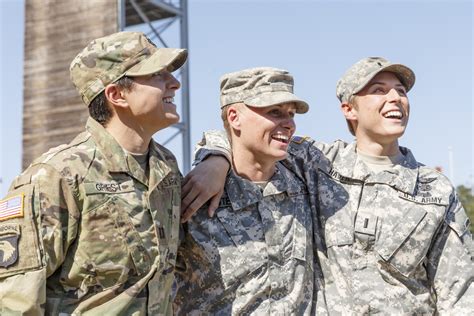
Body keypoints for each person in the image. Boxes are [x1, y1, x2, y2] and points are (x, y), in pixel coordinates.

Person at [187, 57, 473, 314]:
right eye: (379, 90)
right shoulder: (318, 163)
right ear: (349, 109)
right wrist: (215, 159)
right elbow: (245, 136)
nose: (395, 98)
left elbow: (460, 293)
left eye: (401, 90)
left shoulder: (433, 189)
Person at [0, 31, 223, 315]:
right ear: (117, 95)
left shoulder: (164, 166)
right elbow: (13, 302)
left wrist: (218, 157)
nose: (175, 83)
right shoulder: (58, 176)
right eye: (157, 75)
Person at [174, 67, 322, 315]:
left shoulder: (307, 180)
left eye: (291, 114)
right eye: (274, 112)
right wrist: (216, 158)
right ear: (234, 117)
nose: (288, 124)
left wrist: (215, 155)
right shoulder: (196, 194)